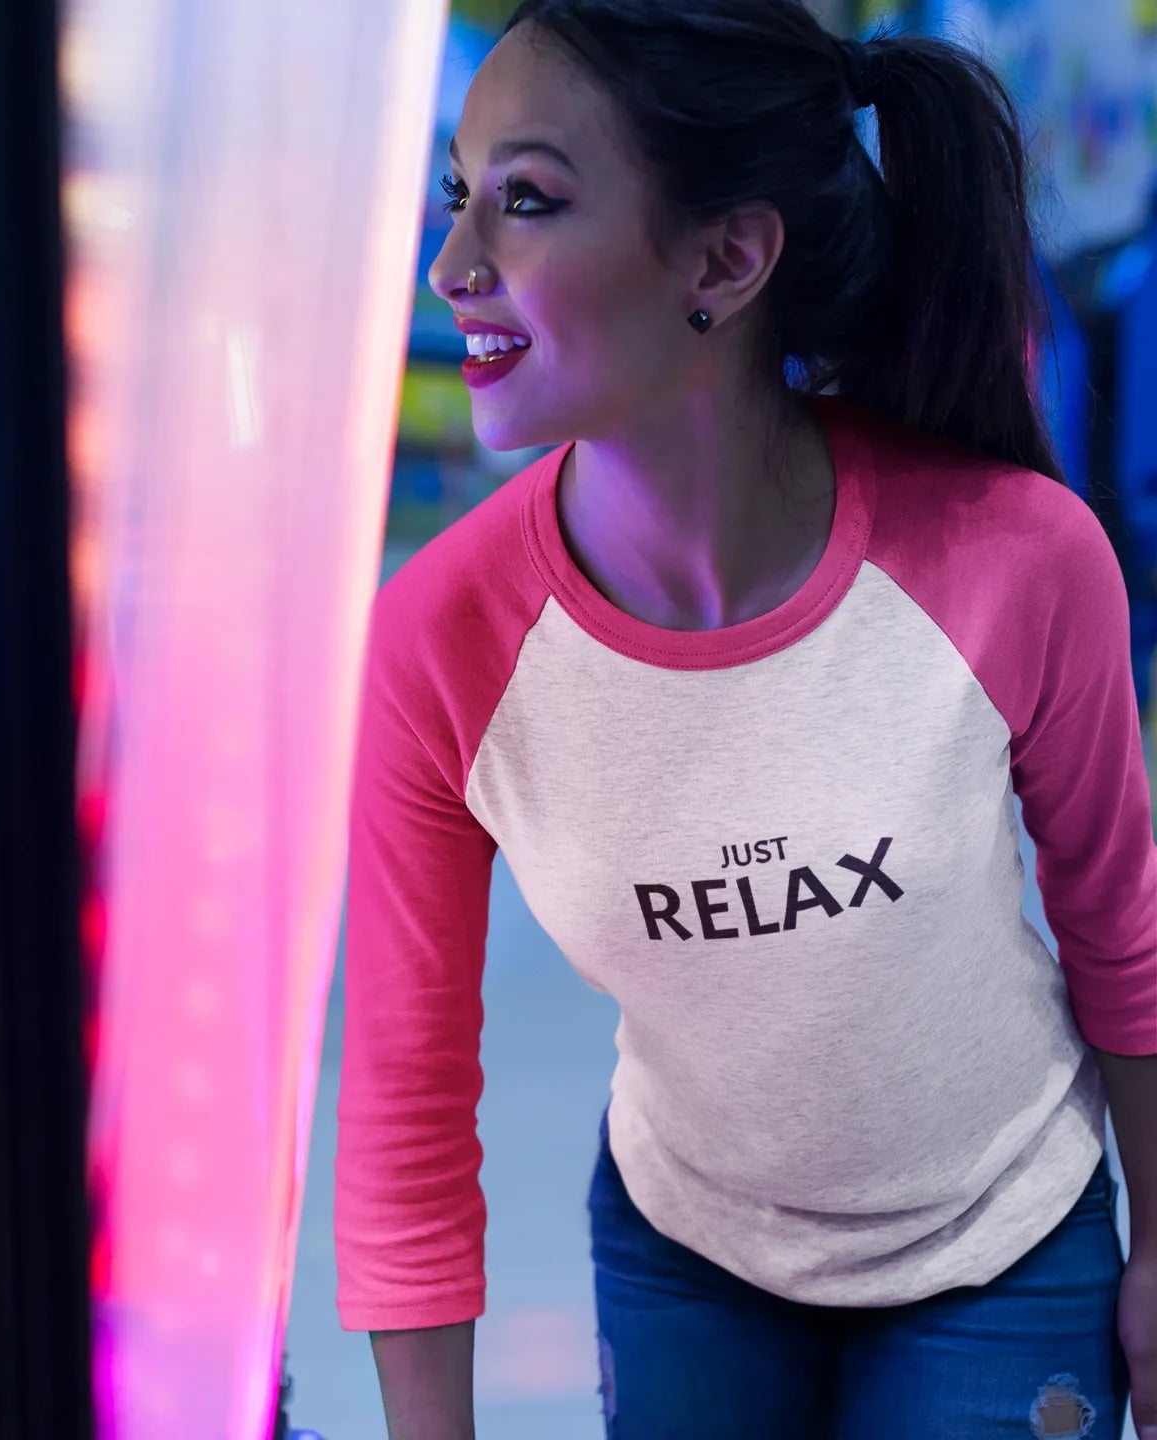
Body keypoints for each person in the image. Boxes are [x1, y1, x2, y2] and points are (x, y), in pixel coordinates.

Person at [334, 2, 1157, 1436]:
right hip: (687, 1262)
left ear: (726, 256)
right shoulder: (441, 640)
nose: (453, 267)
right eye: (461, 200)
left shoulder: (1020, 558)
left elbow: (1123, 938)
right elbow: (405, 1096)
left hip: (1004, 1251)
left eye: (524, 203)